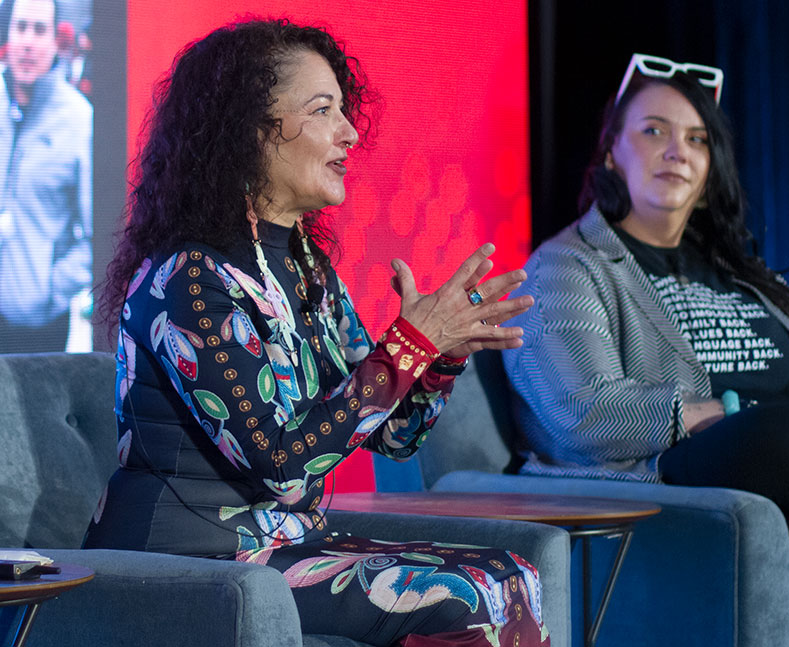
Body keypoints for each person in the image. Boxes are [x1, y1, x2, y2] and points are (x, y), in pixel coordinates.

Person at [83, 19, 546, 647]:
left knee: (510, 573)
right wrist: (407, 345)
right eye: (323, 110)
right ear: (250, 132)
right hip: (190, 558)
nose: (350, 133)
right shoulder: (187, 280)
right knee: (471, 591)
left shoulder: (308, 271)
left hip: (285, 544)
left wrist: (437, 358)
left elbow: (394, 436)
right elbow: (281, 461)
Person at [502, 53, 789, 646]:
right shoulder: (567, 267)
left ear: (710, 167)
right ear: (611, 150)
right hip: (681, 476)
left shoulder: (742, 276)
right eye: (654, 131)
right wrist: (708, 415)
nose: (678, 150)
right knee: (767, 433)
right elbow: (581, 415)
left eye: (697, 139)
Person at [0, 0, 92, 352]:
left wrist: (49, 289)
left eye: (39, 30)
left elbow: (96, 233)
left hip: (38, 328)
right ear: (8, 34)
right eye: (20, 27)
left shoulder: (78, 120)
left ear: (56, 40)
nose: (28, 41)